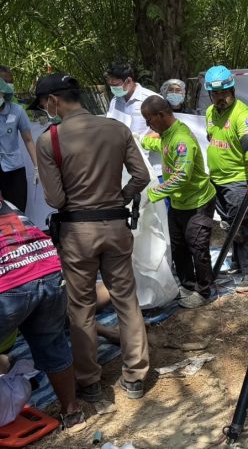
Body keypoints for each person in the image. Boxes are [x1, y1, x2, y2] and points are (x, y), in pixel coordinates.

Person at [32, 73, 151, 401]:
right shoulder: (117, 129)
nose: (45, 110)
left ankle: (90, 381)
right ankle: (135, 376)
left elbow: (55, 200)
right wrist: (119, 199)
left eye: (43, 104)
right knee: (125, 299)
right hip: (116, 226)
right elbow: (141, 176)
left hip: (77, 234)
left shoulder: (50, 140)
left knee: (81, 306)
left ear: (53, 101)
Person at [0, 197, 84, 429]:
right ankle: (72, 413)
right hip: (48, 268)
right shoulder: (7, 204)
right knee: (53, 343)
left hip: (11, 283)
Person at [141, 95, 217, 309]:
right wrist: (139, 140)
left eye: (149, 119)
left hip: (198, 201)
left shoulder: (181, 139)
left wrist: (152, 194)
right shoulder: (168, 135)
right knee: (178, 246)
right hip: (178, 202)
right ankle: (187, 285)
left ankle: (204, 291)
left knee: (197, 247)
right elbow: (160, 145)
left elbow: (181, 176)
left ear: (161, 115)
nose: (148, 125)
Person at [204, 65, 248, 290]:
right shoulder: (210, 112)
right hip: (216, 178)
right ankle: (238, 263)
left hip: (236, 180)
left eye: (224, 92)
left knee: (240, 226)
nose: (220, 98)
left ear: (232, 90)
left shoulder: (242, 112)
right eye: (215, 93)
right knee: (229, 225)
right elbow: (211, 137)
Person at [0, 77, 38, 212]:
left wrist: (37, 166)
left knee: (17, 209)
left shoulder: (17, 111)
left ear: (3, 93)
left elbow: (28, 140)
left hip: (14, 168)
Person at [105, 61, 159, 134]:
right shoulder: (114, 100)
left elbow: (165, 130)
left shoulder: (152, 100)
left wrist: (140, 139)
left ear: (128, 81)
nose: (112, 88)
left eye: (115, 85)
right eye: (110, 85)